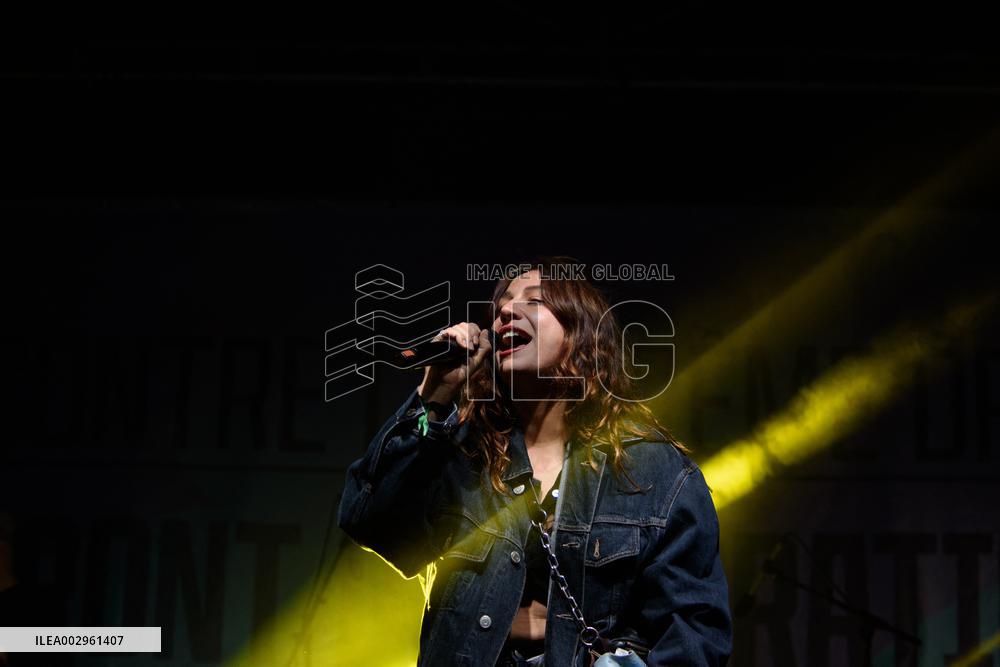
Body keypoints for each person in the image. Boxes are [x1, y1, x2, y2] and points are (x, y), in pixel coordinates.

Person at [338, 260, 732, 666]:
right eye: (501, 307)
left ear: (580, 333)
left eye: (535, 301)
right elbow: (368, 520)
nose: (507, 312)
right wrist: (434, 394)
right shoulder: (463, 455)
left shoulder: (652, 472)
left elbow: (694, 630)